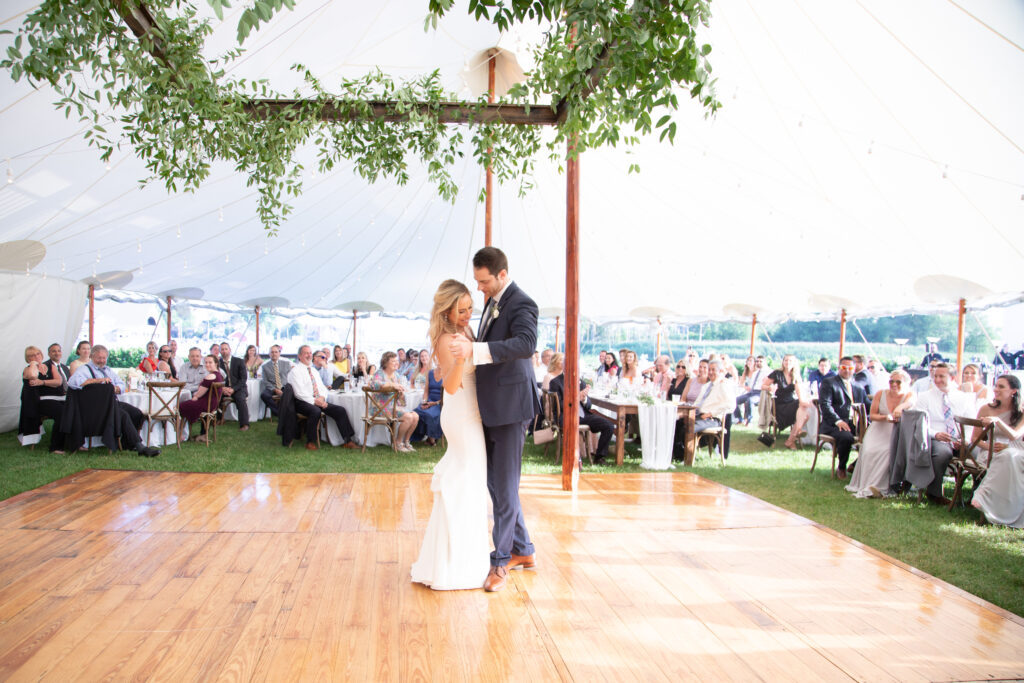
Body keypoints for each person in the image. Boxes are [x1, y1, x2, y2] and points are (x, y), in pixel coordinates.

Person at [449, 246, 539, 593]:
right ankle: (524, 550)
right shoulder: (493, 300)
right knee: (497, 485)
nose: (480, 288)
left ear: (502, 274)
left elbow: (526, 343)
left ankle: (500, 562)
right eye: (478, 281)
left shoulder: (522, 302)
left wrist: (476, 350)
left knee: (503, 486)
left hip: (510, 406)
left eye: (484, 281)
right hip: (491, 406)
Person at [411, 279, 491, 590]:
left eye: (471, 308)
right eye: (462, 309)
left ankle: (459, 557)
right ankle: (457, 564)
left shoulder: (467, 332)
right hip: (460, 415)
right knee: (464, 483)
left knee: (469, 483)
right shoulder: (447, 338)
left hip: (471, 412)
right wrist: (459, 359)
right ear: (448, 310)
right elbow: (451, 385)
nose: (468, 314)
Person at [889, 363, 974, 504]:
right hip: (936, 438)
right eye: (935, 376)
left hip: (960, 438)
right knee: (942, 453)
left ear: (952, 378)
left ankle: (975, 497)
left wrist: (965, 439)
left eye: (942, 376)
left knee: (979, 454)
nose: (937, 379)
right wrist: (936, 434)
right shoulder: (924, 397)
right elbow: (919, 424)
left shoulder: (964, 398)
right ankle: (934, 493)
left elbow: (971, 422)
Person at [66, 344, 160, 457]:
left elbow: (121, 384)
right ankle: (140, 447)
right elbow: (72, 382)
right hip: (95, 408)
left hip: (111, 403)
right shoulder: (84, 369)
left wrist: (115, 388)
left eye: (104, 358)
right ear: (91, 357)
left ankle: (127, 443)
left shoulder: (108, 370)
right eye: (99, 358)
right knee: (123, 415)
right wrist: (96, 381)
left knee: (136, 413)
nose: (101, 361)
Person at [846, 369, 913, 498]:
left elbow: (911, 402)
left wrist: (899, 408)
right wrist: (885, 417)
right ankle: (867, 484)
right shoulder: (880, 393)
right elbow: (872, 415)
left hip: (896, 432)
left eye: (898, 382)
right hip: (878, 429)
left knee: (887, 452)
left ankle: (881, 487)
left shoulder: (909, 395)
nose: (894, 384)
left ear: (906, 383)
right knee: (869, 450)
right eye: (891, 381)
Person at [971, 375, 1024, 528]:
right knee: (1006, 457)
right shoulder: (986, 408)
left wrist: (998, 422)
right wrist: (991, 447)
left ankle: (990, 501)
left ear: (1013, 391)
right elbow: (975, 439)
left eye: (1001, 387)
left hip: (1016, 450)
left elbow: (1014, 436)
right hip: (990, 451)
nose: (996, 389)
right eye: (996, 386)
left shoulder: (1021, 411)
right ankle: (986, 501)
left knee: (1010, 456)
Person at [287, 345, 359, 450]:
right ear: (299, 356)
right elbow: (299, 393)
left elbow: (322, 388)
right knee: (315, 411)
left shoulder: (313, 371)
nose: (309, 355)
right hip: (301, 402)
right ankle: (310, 442)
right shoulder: (295, 371)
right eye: (306, 353)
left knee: (340, 410)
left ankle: (347, 440)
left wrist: (322, 398)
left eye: (310, 353)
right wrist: (316, 401)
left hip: (318, 400)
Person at [817, 357, 868, 479]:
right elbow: (825, 405)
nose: (847, 371)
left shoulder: (858, 386)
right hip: (833, 424)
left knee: (875, 436)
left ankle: (855, 465)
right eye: (844, 367)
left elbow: (867, 405)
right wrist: (838, 421)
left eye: (850, 368)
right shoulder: (829, 383)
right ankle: (842, 467)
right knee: (846, 437)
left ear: (854, 369)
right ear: (839, 368)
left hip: (854, 423)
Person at [549, 371, 614, 464]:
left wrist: (584, 399)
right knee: (572, 426)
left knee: (609, 426)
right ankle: (575, 458)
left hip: (583, 415)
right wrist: (575, 398)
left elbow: (588, 406)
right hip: (565, 416)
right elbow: (558, 405)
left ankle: (599, 457)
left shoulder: (581, 382)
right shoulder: (555, 382)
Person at [370, 351, 421, 451]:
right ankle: (397, 443)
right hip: (380, 408)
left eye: (397, 361)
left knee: (415, 416)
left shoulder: (396, 376)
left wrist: (401, 394)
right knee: (408, 417)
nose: (396, 363)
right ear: (385, 363)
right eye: (393, 361)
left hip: (394, 407)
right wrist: (392, 385)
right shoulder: (380, 373)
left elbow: (401, 401)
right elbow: (374, 384)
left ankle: (406, 442)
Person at [688, 359, 737, 457]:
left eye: (713, 370)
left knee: (689, 427)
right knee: (679, 423)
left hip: (712, 418)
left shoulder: (724, 384)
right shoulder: (706, 386)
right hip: (699, 415)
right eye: (709, 369)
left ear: (720, 371)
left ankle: (688, 456)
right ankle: (677, 455)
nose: (710, 372)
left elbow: (730, 405)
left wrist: (710, 413)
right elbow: (697, 403)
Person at [764, 354, 812, 449]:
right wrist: (769, 387)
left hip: (790, 403)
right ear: (783, 362)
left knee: (805, 413)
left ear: (794, 363)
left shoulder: (796, 375)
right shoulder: (777, 373)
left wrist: (803, 401)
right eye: (786, 360)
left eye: (790, 361)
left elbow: (798, 391)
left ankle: (790, 440)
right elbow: (763, 386)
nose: (787, 362)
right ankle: (795, 435)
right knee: (803, 412)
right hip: (778, 405)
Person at [179, 354, 223, 444]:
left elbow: (199, 393)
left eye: (210, 362)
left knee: (180, 407)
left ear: (216, 363)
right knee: (186, 404)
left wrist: (195, 397)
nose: (207, 364)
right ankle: (202, 435)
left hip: (206, 404)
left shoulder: (210, 376)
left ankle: (180, 435)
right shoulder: (218, 375)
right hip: (212, 403)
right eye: (206, 362)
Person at [218, 342, 250, 431]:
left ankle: (244, 424)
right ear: (220, 351)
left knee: (240, 399)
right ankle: (219, 418)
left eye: (226, 349)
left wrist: (233, 389)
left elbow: (243, 379)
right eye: (222, 349)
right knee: (215, 396)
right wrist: (223, 388)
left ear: (230, 350)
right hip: (224, 388)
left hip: (239, 388)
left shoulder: (239, 361)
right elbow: (217, 378)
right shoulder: (217, 363)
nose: (224, 351)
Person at [413, 363, 444, 447]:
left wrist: (434, 403)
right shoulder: (430, 373)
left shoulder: (448, 373)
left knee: (431, 414)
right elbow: (426, 391)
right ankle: (417, 437)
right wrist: (425, 401)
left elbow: (449, 396)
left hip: (441, 403)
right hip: (429, 401)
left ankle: (432, 439)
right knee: (417, 411)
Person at [734, 355, 769, 426]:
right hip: (751, 392)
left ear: (765, 362)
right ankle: (739, 419)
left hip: (761, 393)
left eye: (761, 361)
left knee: (750, 400)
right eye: (757, 361)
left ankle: (749, 420)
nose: (758, 363)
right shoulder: (755, 373)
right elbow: (750, 384)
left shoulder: (769, 372)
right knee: (734, 400)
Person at [260, 345, 292, 417]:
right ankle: (279, 413)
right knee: (264, 395)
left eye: (276, 352)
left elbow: (291, 377)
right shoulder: (265, 366)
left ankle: (289, 413)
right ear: (269, 354)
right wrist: (275, 389)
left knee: (291, 394)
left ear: (279, 353)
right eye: (272, 352)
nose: (274, 354)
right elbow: (265, 381)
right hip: (272, 387)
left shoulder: (286, 364)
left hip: (284, 386)